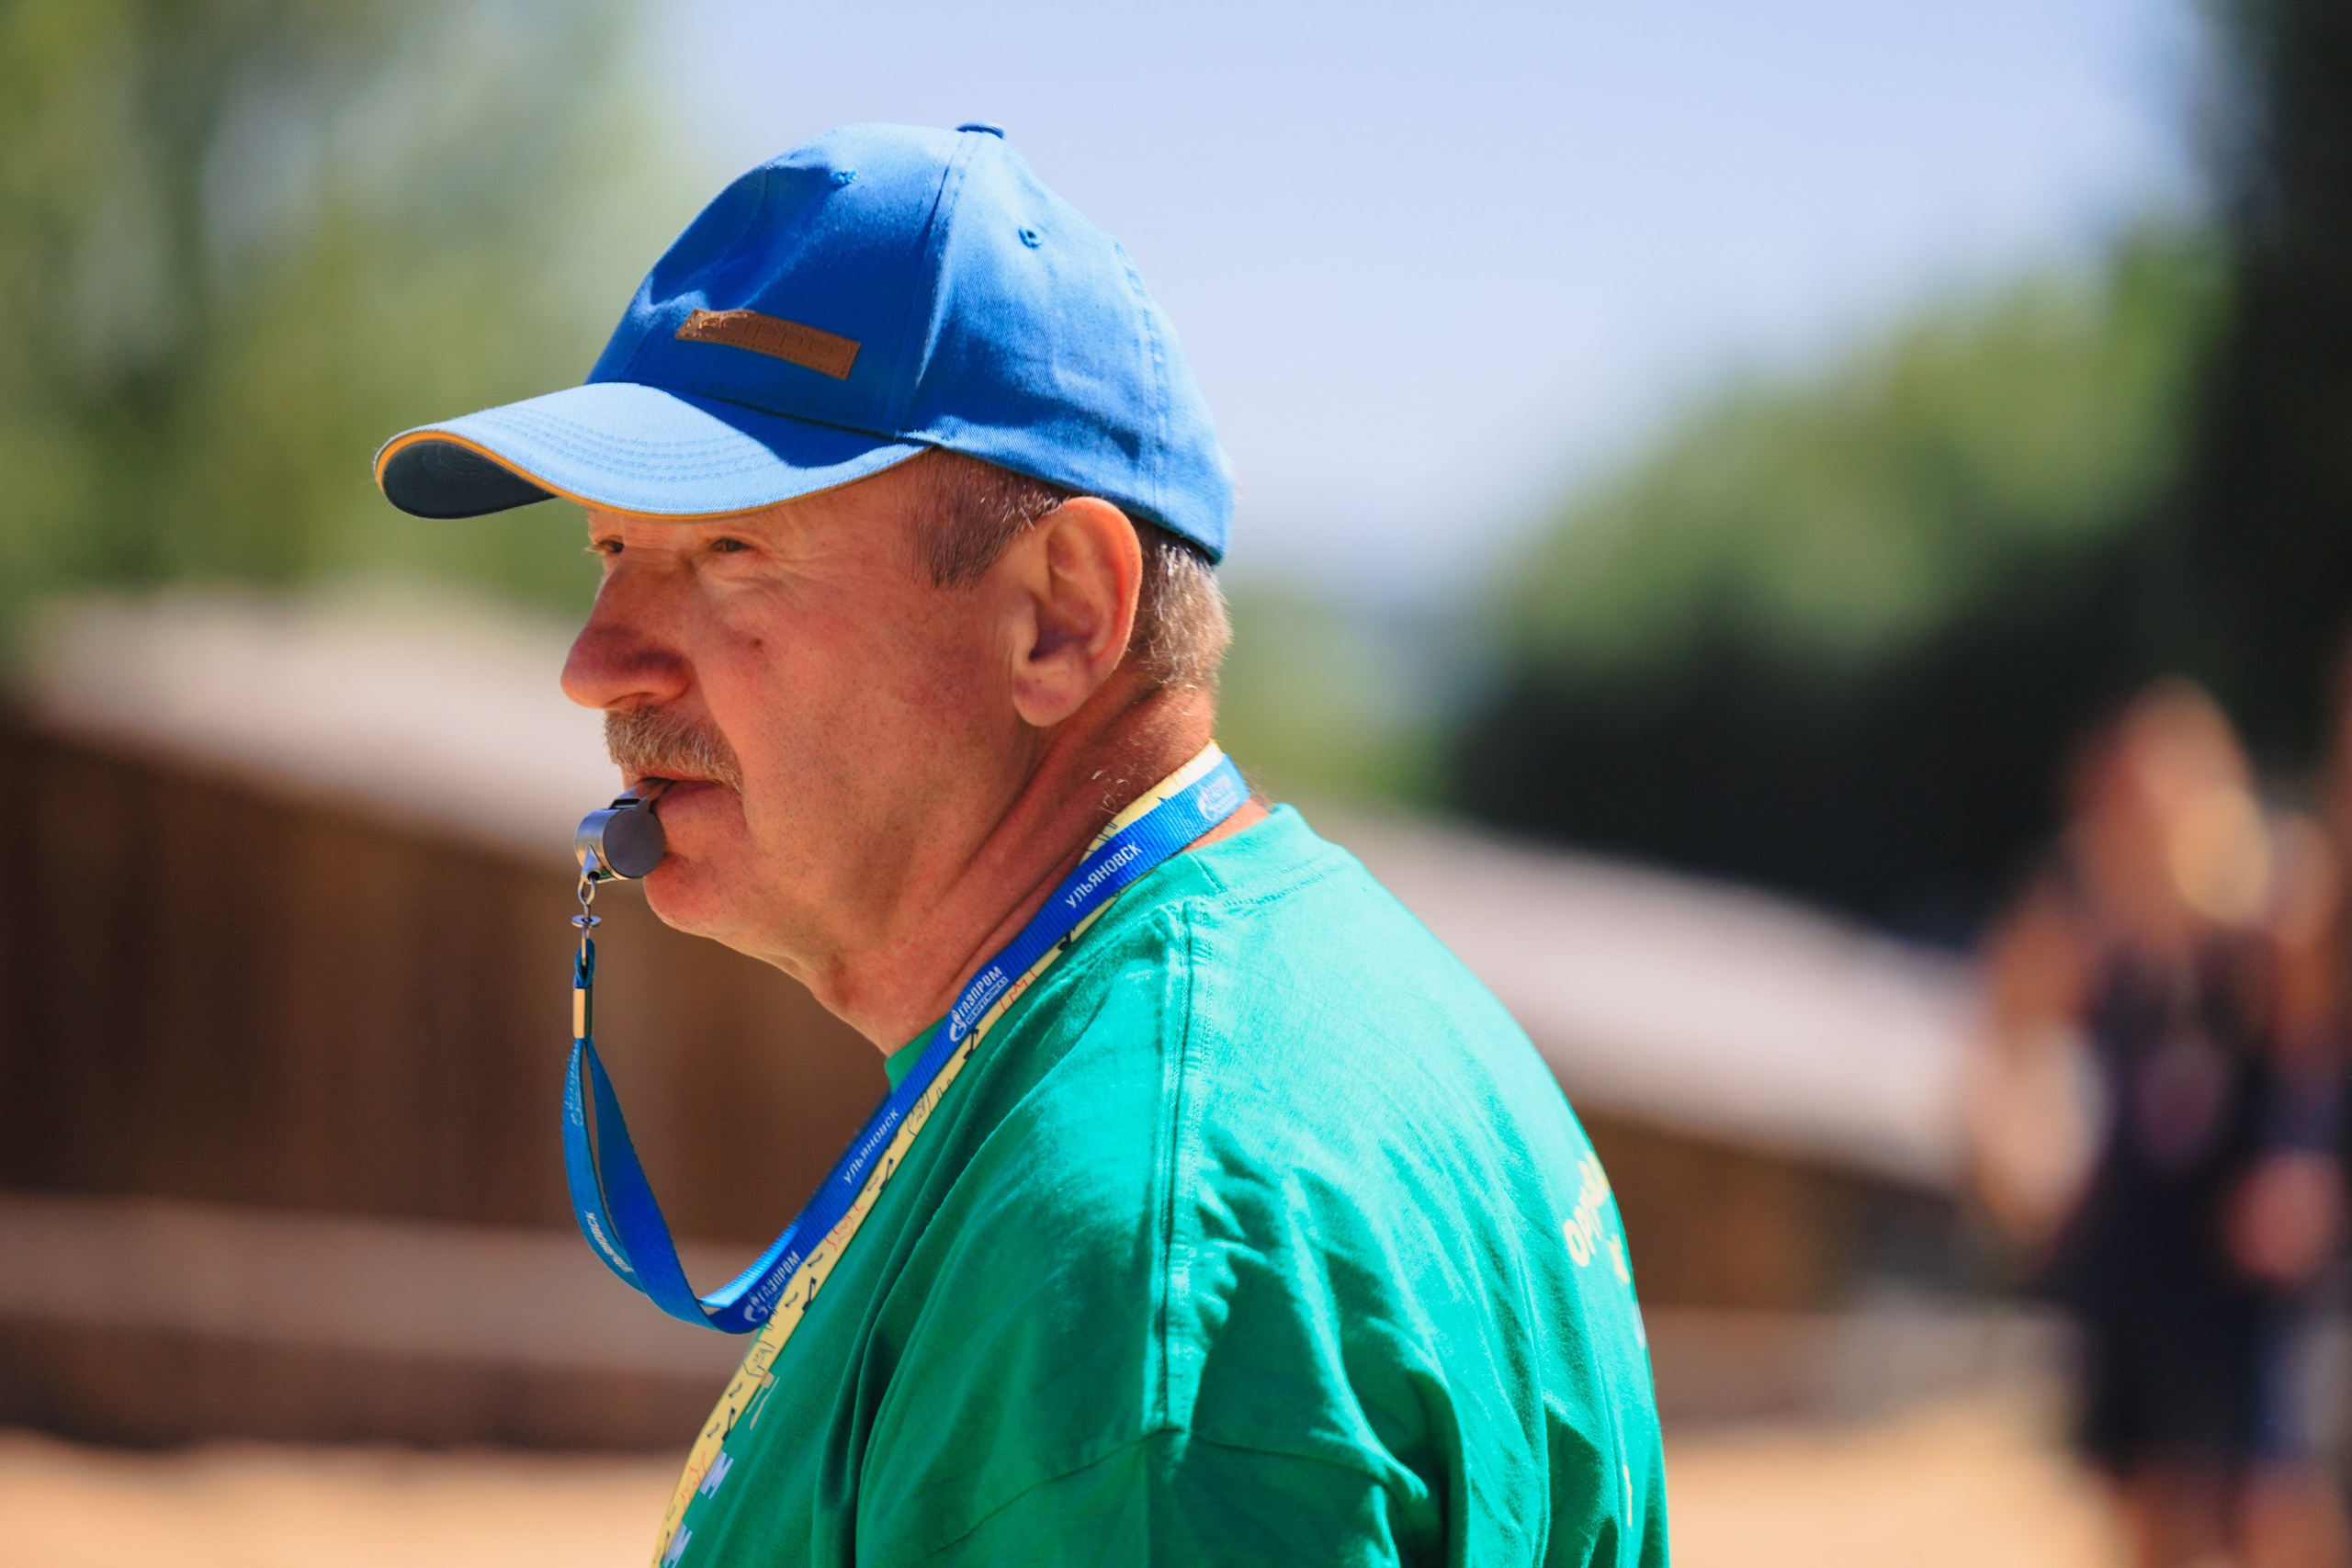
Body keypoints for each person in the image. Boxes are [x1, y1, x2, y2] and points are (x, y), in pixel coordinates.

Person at [372, 123, 1665, 1567]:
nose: (597, 664)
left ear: (1059, 611)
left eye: (728, 550)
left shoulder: (1134, 1270)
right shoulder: (1271, 1012)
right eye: (612, 552)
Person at [1967, 681, 2347, 1568]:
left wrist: (2302, 1160)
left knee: (2271, 1500)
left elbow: (2312, 1057)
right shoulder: (2087, 931)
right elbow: (2003, 1039)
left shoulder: (2267, 920)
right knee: (2139, 1502)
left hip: (2242, 1251)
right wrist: (2017, 1158)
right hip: (2142, 1239)